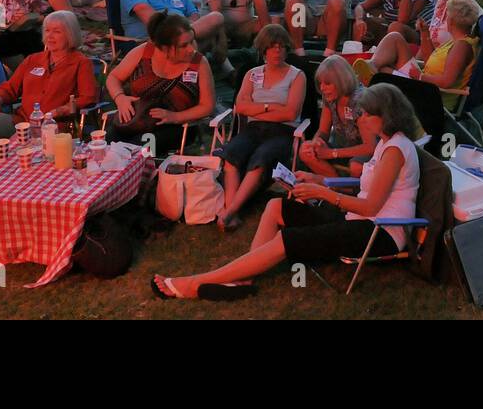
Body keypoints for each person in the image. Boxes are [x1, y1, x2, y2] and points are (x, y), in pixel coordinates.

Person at [152, 82, 420, 300]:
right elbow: (366, 189)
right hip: (360, 221)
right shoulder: (387, 144)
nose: (361, 117)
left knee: (287, 240)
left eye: (366, 113)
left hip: (380, 232)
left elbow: (372, 207)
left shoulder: (397, 150)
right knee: (276, 206)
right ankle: (243, 277)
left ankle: (194, 284)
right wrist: (320, 181)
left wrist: (325, 195)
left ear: (384, 117)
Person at [215, 24, 307, 230]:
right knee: (231, 156)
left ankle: (229, 212)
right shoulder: (252, 74)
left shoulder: (297, 76)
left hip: (283, 131)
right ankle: (234, 211)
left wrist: (256, 108)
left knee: (260, 159)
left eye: (282, 47)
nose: (277, 51)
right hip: (253, 129)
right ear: (263, 49)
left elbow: (291, 113)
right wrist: (270, 106)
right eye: (272, 46)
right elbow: (241, 107)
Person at [105, 11, 215, 154]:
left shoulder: (198, 63)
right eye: (184, 45)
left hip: (175, 127)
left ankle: (139, 171)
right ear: (164, 47)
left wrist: (175, 117)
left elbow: (207, 106)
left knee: (136, 149)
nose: (192, 49)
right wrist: (120, 98)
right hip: (135, 120)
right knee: (107, 147)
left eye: (192, 41)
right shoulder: (144, 53)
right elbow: (113, 77)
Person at [0, 10, 97, 136]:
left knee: (20, 142)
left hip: (55, 125)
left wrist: (62, 110)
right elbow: (10, 87)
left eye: (57, 31)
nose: (50, 36)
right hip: (22, 120)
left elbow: (87, 97)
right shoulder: (33, 59)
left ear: (70, 34)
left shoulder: (81, 63)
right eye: (47, 30)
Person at [296, 54, 377, 177]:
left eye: (327, 83)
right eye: (320, 83)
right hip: (341, 146)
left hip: (366, 151)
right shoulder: (330, 97)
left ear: (341, 81)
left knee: (356, 166)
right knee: (305, 151)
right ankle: (338, 187)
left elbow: (370, 146)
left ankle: (341, 190)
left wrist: (331, 153)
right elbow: (323, 131)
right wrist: (316, 142)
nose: (322, 88)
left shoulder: (360, 101)